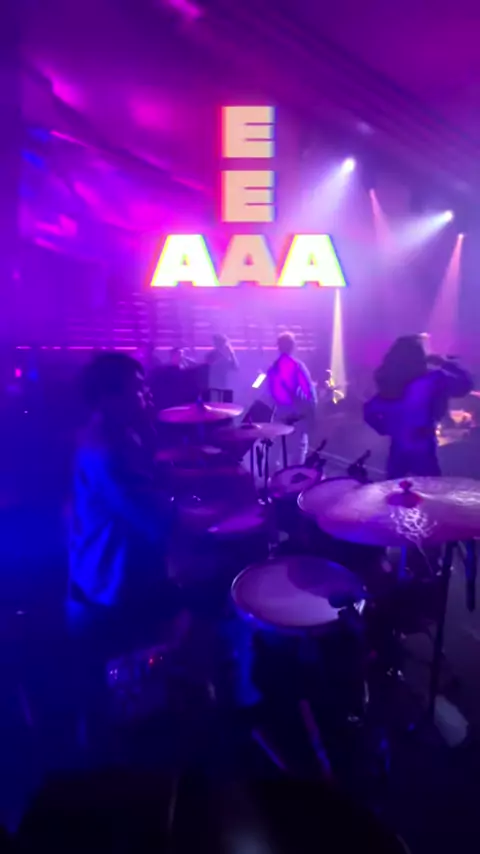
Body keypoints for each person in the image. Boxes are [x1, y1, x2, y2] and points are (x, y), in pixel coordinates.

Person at [67, 353, 187, 725]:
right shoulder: (105, 450)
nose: (147, 394)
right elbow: (154, 519)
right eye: (137, 389)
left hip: (120, 570)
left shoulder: (121, 432)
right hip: (112, 584)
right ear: (108, 398)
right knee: (126, 688)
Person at [364, 335, 473, 478]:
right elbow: (465, 385)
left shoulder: (389, 381)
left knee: (394, 487)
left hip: (398, 446)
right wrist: (444, 363)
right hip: (422, 446)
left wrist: (385, 429)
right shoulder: (433, 379)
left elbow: (369, 411)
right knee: (429, 487)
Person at [267, 331, 317, 466]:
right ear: (293, 346)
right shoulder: (297, 366)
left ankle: (272, 475)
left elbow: (270, 392)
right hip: (296, 414)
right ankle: (295, 477)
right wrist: (312, 413)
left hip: (280, 412)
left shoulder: (273, 367)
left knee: (275, 448)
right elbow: (309, 392)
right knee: (299, 449)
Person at [205, 333, 238, 399]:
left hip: (225, 386)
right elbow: (207, 367)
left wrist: (232, 354)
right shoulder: (211, 355)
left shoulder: (228, 356)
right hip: (213, 386)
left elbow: (236, 367)